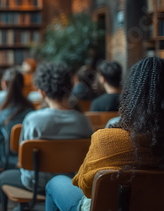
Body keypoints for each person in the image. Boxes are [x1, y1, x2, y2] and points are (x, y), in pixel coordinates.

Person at [45, 57, 164, 211]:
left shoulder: (107, 139)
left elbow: (86, 187)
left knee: (56, 182)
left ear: (130, 93)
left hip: (104, 207)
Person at [0, 62, 93, 211]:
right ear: (70, 88)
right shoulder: (83, 121)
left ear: (41, 92)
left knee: (3, 177)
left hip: (36, 183)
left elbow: (23, 159)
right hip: (71, 183)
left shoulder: (33, 119)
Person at [0, 68, 35, 168]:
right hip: (28, 161)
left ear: (4, 83)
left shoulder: (2, 114)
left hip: (7, 161)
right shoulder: (31, 110)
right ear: (23, 84)